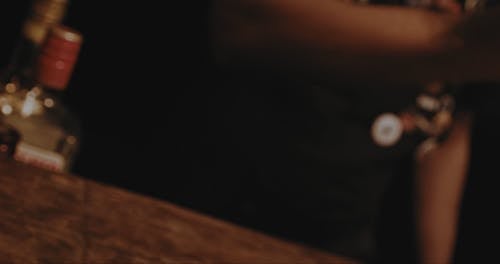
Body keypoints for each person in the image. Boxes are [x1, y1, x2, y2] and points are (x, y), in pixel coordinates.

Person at [157, 1, 500, 263]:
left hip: (342, 235)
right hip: (207, 202)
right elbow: (243, 20)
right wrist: (455, 41)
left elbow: (446, 132)